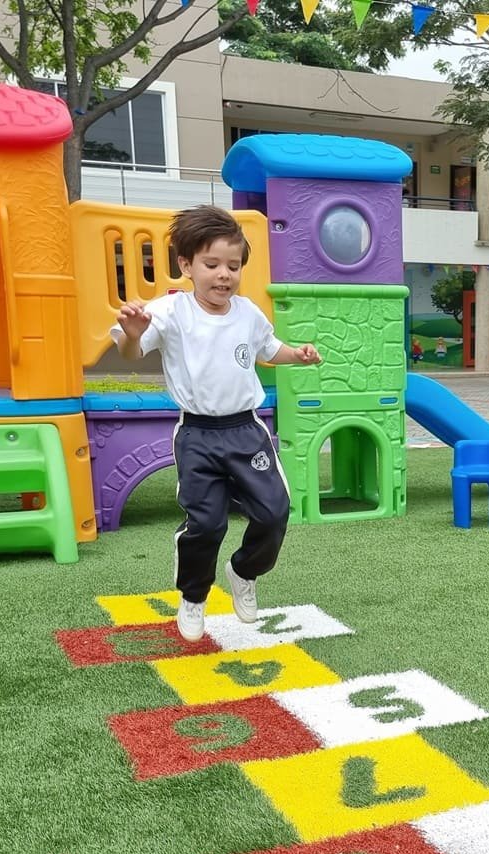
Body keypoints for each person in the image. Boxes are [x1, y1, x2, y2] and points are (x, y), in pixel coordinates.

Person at [112, 205, 321, 641]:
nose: (224, 275)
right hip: (198, 435)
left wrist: (297, 355)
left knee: (274, 511)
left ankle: (244, 571)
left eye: (233, 266)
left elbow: (269, 349)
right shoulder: (170, 311)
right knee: (207, 523)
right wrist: (132, 334)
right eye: (211, 265)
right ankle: (193, 596)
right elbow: (132, 352)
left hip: (246, 430)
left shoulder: (247, 313)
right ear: (186, 265)